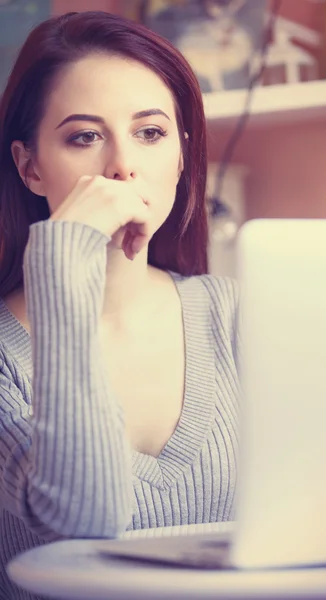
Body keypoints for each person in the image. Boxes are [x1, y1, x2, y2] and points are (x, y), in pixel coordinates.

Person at [0, 10, 240, 599]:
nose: (123, 166)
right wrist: (62, 264)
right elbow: (83, 523)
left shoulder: (239, 317)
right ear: (30, 166)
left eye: (150, 132)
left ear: (182, 157)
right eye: (85, 136)